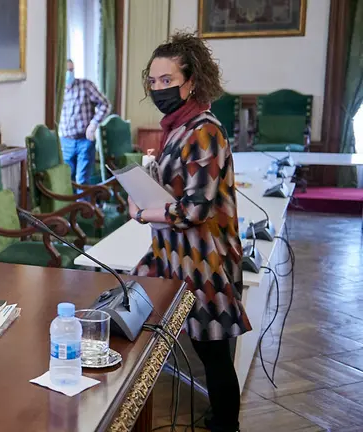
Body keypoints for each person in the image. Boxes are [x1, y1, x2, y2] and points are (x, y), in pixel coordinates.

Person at [128, 32, 250, 432]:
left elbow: (196, 207)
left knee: (212, 348)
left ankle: (226, 424)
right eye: (155, 81)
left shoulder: (203, 130)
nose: (160, 88)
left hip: (204, 256)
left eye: (169, 81)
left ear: (191, 82)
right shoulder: (176, 127)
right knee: (143, 325)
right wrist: (140, 196)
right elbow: (173, 190)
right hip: (172, 251)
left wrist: (149, 212)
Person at [58, 59, 112, 189]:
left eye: (71, 70)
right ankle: (71, 209)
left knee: (82, 180)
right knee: (66, 181)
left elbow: (105, 104)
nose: (69, 73)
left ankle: (84, 208)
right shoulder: (57, 91)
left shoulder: (85, 86)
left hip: (84, 140)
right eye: (66, 70)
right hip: (65, 141)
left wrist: (93, 124)